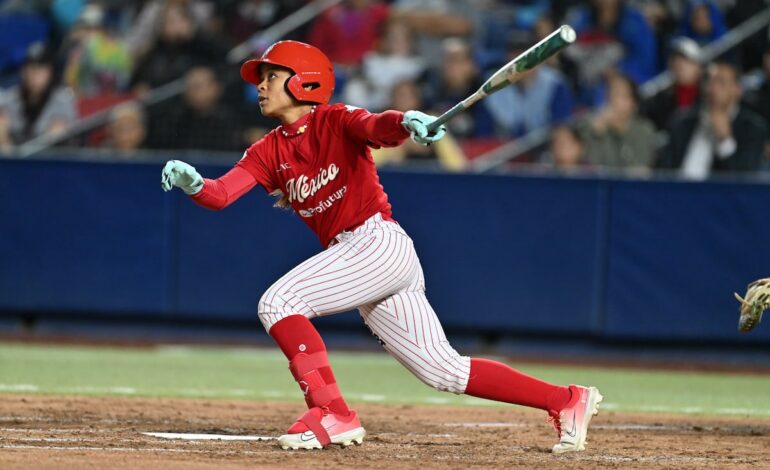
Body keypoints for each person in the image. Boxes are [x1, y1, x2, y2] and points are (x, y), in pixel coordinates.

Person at [160, 40, 602, 453]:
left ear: (304, 81)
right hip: (364, 257)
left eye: (272, 75)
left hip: (377, 243)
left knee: (278, 303)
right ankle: (566, 400)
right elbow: (219, 195)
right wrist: (194, 183)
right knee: (443, 370)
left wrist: (407, 120)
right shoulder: (268, 150)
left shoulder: (334, 119)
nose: (261, 85)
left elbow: (378, 127)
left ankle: (334, 413)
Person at [657, 60, 768, 179]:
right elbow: (663, 169)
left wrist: (725, 140)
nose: (711, 88)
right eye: (708, 81)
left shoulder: (753, 127)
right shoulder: (682, 121)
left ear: (737, 89)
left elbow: (744, 180)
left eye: (720, 82)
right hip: (675, 193)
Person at [577, 72, 657, 170]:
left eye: (620, 95)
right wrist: (597, 134)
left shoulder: (644, 130)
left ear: (633, 103)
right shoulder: (592, 128)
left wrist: (620, 133)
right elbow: (590, 168)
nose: (613, 100)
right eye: (610, 94)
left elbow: (640, 167)